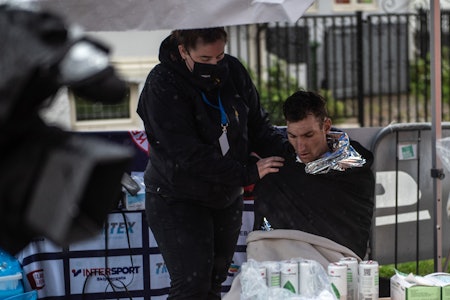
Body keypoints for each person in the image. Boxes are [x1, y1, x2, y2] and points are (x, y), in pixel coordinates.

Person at [137, 27, 291, 299]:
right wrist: (246, 173)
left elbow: (257, 125)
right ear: (183, 50)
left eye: (220, 56)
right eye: (205, 59)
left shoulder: (233, 69)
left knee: (214, 281)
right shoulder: (161, 82)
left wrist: (294, 155)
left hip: (225, 196)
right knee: (191, 286)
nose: (215, 65)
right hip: (176, 197)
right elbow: (186, 155)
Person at [252, 90, 375, 259]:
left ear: (326, 126)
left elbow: (351, 235)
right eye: (292, 136)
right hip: (283, 264)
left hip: (334, 266)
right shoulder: (281, 161)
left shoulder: (355, 172)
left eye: (308, 135)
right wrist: (249, 173)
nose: (301, 146)